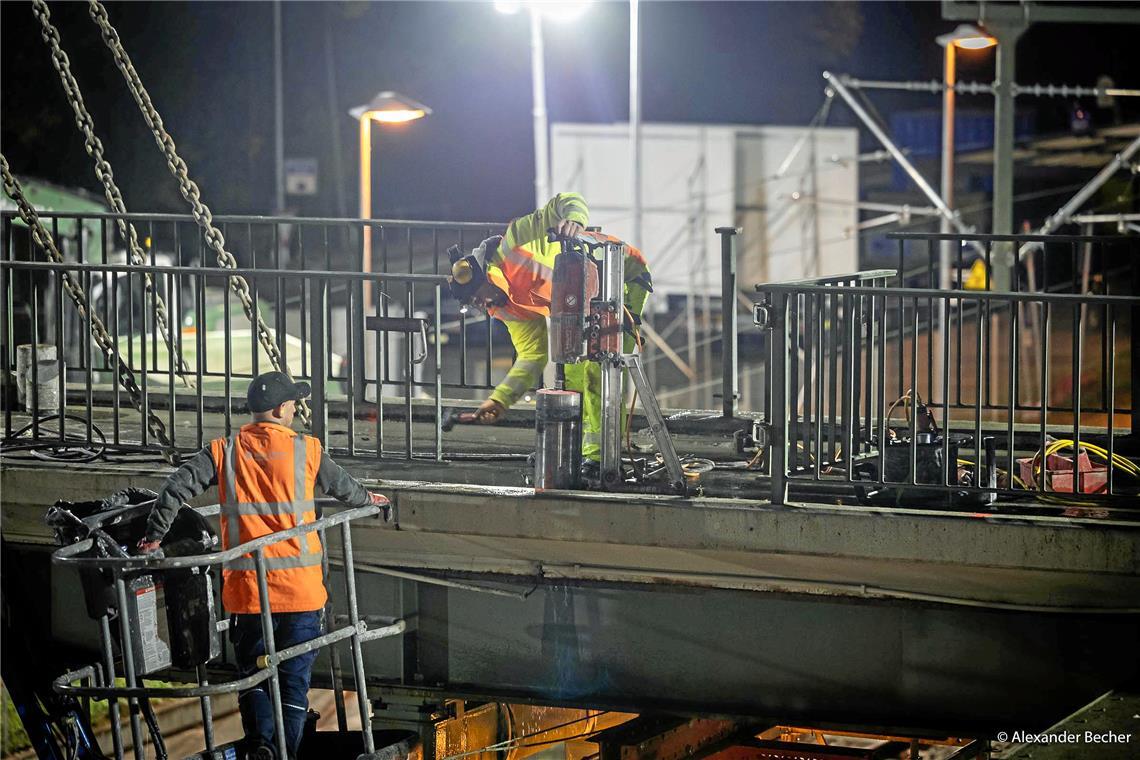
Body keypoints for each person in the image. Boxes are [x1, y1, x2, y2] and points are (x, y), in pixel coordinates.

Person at [137, 371, 389, 760]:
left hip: (249, 594)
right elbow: (346, 489)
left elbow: (176, 487)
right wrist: (372, 499)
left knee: (253, 678)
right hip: (301, 594)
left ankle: (260, 747)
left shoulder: (224, 450)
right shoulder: (307, 449)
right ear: (280, 409)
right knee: (292, 685)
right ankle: (277, 754)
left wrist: (154, 536)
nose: (294, 409)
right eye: (292, 404)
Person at [447, 193, 652, 462]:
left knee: (601, 368)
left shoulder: (516, 241)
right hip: (583, 303)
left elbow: (566, 201)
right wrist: (500, 400)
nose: (481, 304)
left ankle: (603, 456)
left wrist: (574, 220)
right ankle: (585, 453)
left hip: (623, 275)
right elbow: (532, 356)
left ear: (486, 274)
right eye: (474, 303)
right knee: (573, 372)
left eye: (478, 295)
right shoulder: (506, 307)